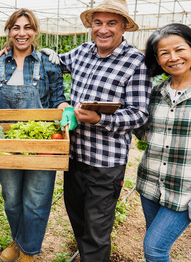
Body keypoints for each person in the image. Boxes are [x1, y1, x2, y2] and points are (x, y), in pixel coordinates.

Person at [0, 8, 70, 262]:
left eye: (27, 28)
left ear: (35, 31)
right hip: (7, 143)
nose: (21, 33)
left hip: (41, 142)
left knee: (36, 200)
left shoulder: (48, 63)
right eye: (16, 28)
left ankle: (29, 251)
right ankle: (18, 240)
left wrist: (66, 109)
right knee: (11, 199)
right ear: (9, 31)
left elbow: (58, 99)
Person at [57, 0, 152, 260]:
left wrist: (99, 119)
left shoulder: (136, 62)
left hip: (105, 163)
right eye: (98, 23)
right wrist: (22, 47)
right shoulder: (81, 52)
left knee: (97, 230)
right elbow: (51, 64)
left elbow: (139, 114)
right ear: (91, 26)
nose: (103, 29)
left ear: (124, 28)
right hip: (75, 156)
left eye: (112, 23)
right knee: (76, 217)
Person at [134, 23, 191, 262]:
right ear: (156, 59)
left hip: (184, 190)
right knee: (156, 246)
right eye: (164, 53)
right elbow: (142, 131)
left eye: (180, 49)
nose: (173, 58)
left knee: (154, 248)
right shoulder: (155, 92)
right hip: (150, 184)